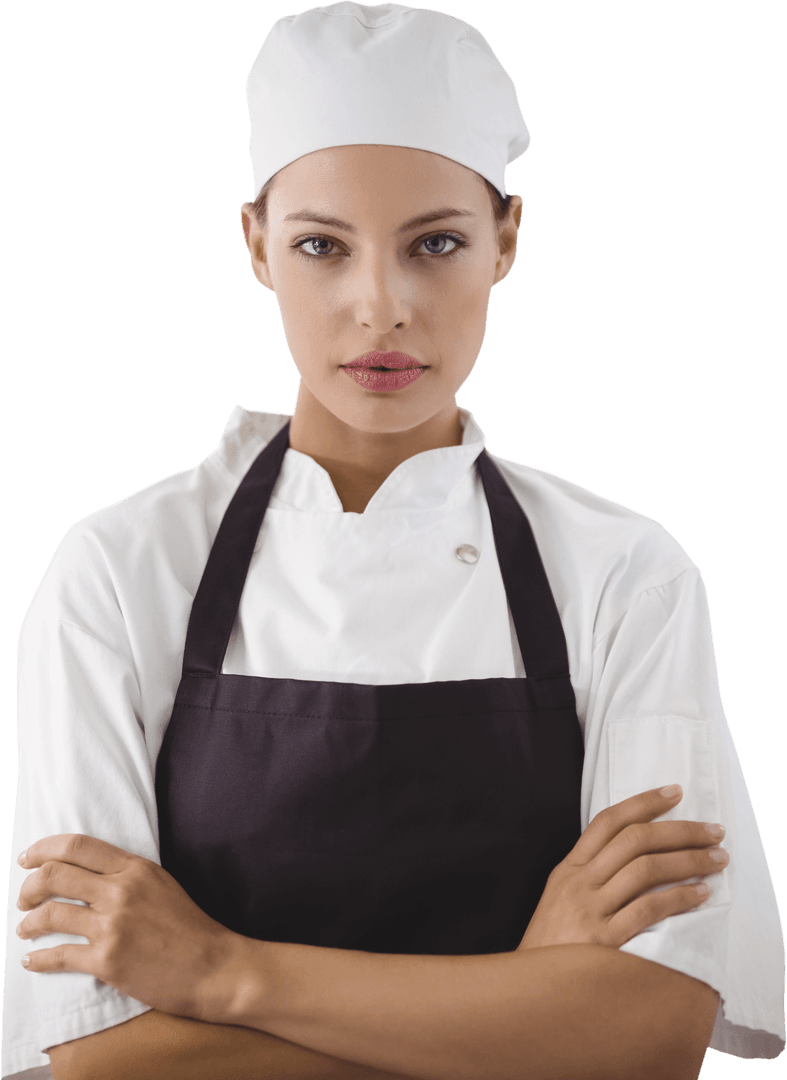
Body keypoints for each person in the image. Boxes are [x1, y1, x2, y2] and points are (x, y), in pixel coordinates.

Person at [2, 3, 784, 1078]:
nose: (381, 307)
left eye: (437, 244)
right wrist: (531, 994)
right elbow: (104, 1054)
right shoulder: (117, 575)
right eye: (321, 246)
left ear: (507, 238)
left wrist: (225, 974)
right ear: (256, 246)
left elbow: (647, 1034)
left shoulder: (624, 575)